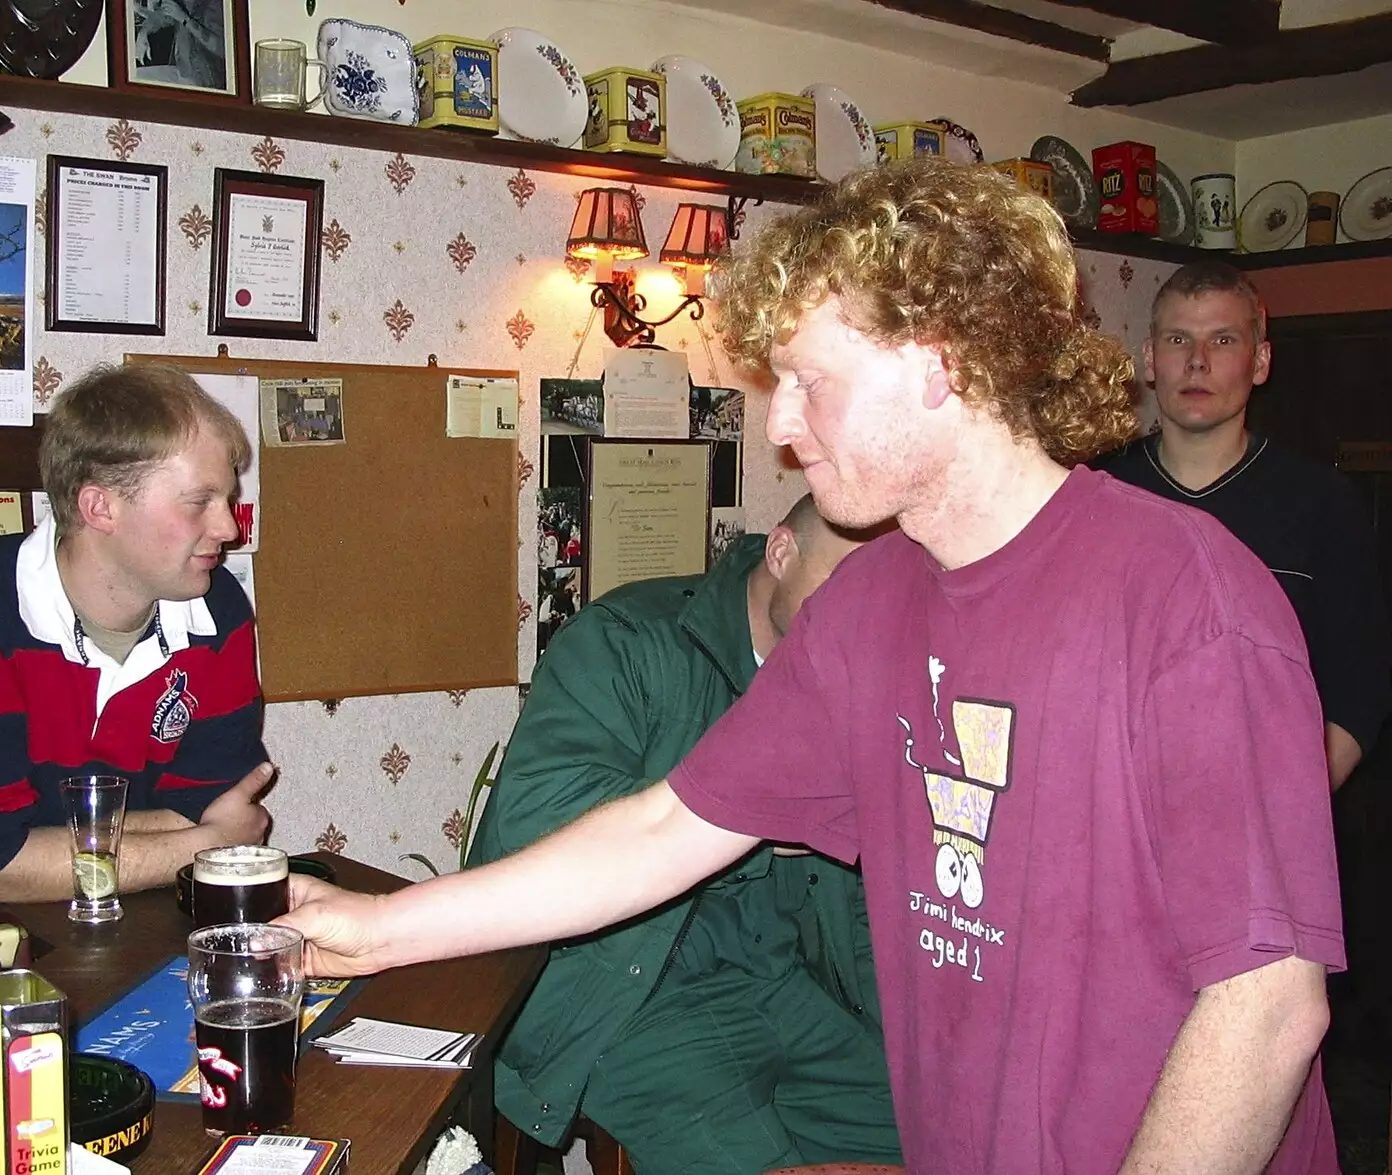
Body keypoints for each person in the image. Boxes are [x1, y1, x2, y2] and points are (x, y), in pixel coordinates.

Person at [279, 160, 1341, 1173]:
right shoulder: (872, 603)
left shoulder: (1185, 599)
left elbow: (1266, 1005)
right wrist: (373, 930)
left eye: (808, 381)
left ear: (940, 362)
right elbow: (663, 828)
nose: (780, 428)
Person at [471, 494, 897, 1172]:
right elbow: (531, 824)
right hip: (629, 999)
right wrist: (746, 822)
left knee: (947, 1140)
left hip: (783, 984)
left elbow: (860, 891)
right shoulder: (625, 640)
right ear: (781, 552)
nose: (864, 621)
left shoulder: (849, 684)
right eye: (848, 585)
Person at [0, 363, 274, 930]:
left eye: (228, 497)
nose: (228, 528)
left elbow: (210, 803)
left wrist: (15, 856)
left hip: (122, 920)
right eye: (200, 501)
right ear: (100, 508)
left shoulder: (219, 610)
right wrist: (205, 845)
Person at [1100, 259, 1392, 791]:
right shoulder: (1095, 498)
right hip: (1123, 809)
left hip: (1266, 807)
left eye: (1224, 341)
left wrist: (1290, 802)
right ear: (1149, 359)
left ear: (1259, 362)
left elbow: (1361, 682)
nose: (1197, 363)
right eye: (1177, 340)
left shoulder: (1322, 505)